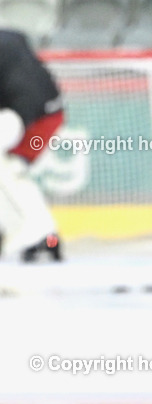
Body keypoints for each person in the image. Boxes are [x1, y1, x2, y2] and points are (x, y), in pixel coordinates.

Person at [0, 28, 64, 261]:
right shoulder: (11, 37)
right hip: (50, 113)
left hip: (33, 118)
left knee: (11, 171)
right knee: (13, 171)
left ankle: (34, 234)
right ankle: (48, 238)